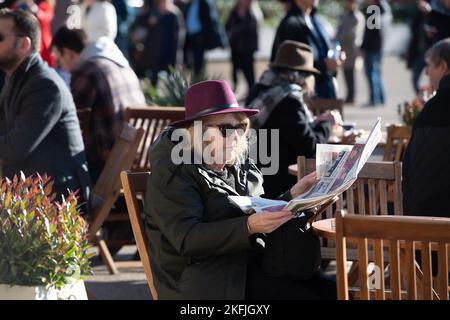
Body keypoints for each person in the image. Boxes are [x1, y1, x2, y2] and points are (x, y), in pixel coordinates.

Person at [144, 79, 337, 299]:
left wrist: (294, 195)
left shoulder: (236, 160)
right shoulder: (174, 169)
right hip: (203, 281)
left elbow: (255, 209)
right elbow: (187, 238)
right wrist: (247, 227)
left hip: (245, 265)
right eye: (225, 128)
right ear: (196, 131)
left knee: (333, 291)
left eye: (240, 127)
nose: (235, 136)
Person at [0, 9, 90, 205]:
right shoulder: (18, 78)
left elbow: (13, 149)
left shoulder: (44, 85)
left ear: (23, 44)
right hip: (31, 189)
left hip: (56, 200)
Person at [246, 40, 342, 199]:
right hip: (283, 186)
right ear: (302, 76)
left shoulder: (260, 89)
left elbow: (290, 132)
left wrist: (316, 122)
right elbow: (310, 147)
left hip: (257, 177)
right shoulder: (289, 100)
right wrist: (327, 123)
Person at [51, 27, 145, 184]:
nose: (59, 66)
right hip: (139, 159)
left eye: (58, 60)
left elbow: (71, 121)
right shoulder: (121, 65)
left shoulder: (88, 70)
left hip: (109, 167)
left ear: (68, 53)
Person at [403, 38, 450, 218]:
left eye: (429, 66)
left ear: (443, 67)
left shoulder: (435, 109)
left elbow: (415, 171)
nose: (427, 72)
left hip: (429, 228)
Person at [271, 0, 343, 99]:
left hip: (324, 87)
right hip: (302, 93)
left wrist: (334, 58)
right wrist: (323, 64)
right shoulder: (289, 24)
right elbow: (287, 66)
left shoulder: (317, 20)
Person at [129, 0, 185, 85]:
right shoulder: (152, 14)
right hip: (154, 54)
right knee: (153, 79)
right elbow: (137, 25)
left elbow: (179, 37)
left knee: (172, 78)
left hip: (170, 54)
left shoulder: (174, 15)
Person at [179, 0, 227, 76]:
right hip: (189, 38)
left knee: (198, 64)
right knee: (188, 63)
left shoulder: (204, 3)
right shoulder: (190, 4)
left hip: (199, 38)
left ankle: (198, 81)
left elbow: (210, 22)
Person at [225, 0, 260, 95]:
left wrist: (235, 30)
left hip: (247, 49)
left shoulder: (253, 13)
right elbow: (227, 26)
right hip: (235, 48)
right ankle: (234, 92)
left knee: (249, 73)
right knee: (234, 71)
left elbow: (250, 27)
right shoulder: (234, 11)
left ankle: (252, 93)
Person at [360, 0, 391, 107]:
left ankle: (374, 99)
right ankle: (381, 98)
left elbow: (370, 31)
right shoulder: (384, 9)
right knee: (377, 73)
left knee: (371, 73)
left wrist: (362, 46)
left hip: (372, 47)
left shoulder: (373, 10)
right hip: (379, 47)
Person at [335, 0, 365, 104]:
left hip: (352, 48)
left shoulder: (357, 16)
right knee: (346, 73)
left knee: (350, 74)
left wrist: (338, 37)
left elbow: (351, 34)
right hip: (344, 48)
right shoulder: (346, 14)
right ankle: (349, 96)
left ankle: (352, 96)